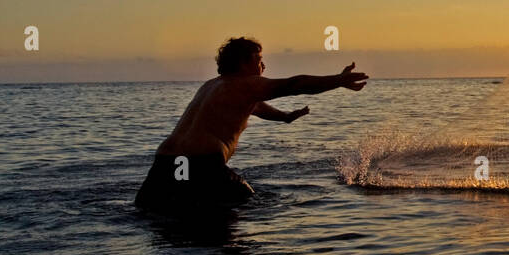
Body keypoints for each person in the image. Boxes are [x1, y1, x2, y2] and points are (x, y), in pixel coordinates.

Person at [134, 37, 368, 212]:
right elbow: (296, 84)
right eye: (258, 60)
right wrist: (338, 80)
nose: (262, 66)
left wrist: (285, 117)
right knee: (249, 204)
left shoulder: (212, 86)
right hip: (202, 165)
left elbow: (255, 107)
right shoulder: (245, 84)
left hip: (167, 163)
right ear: (242, 64)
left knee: (160, 216)